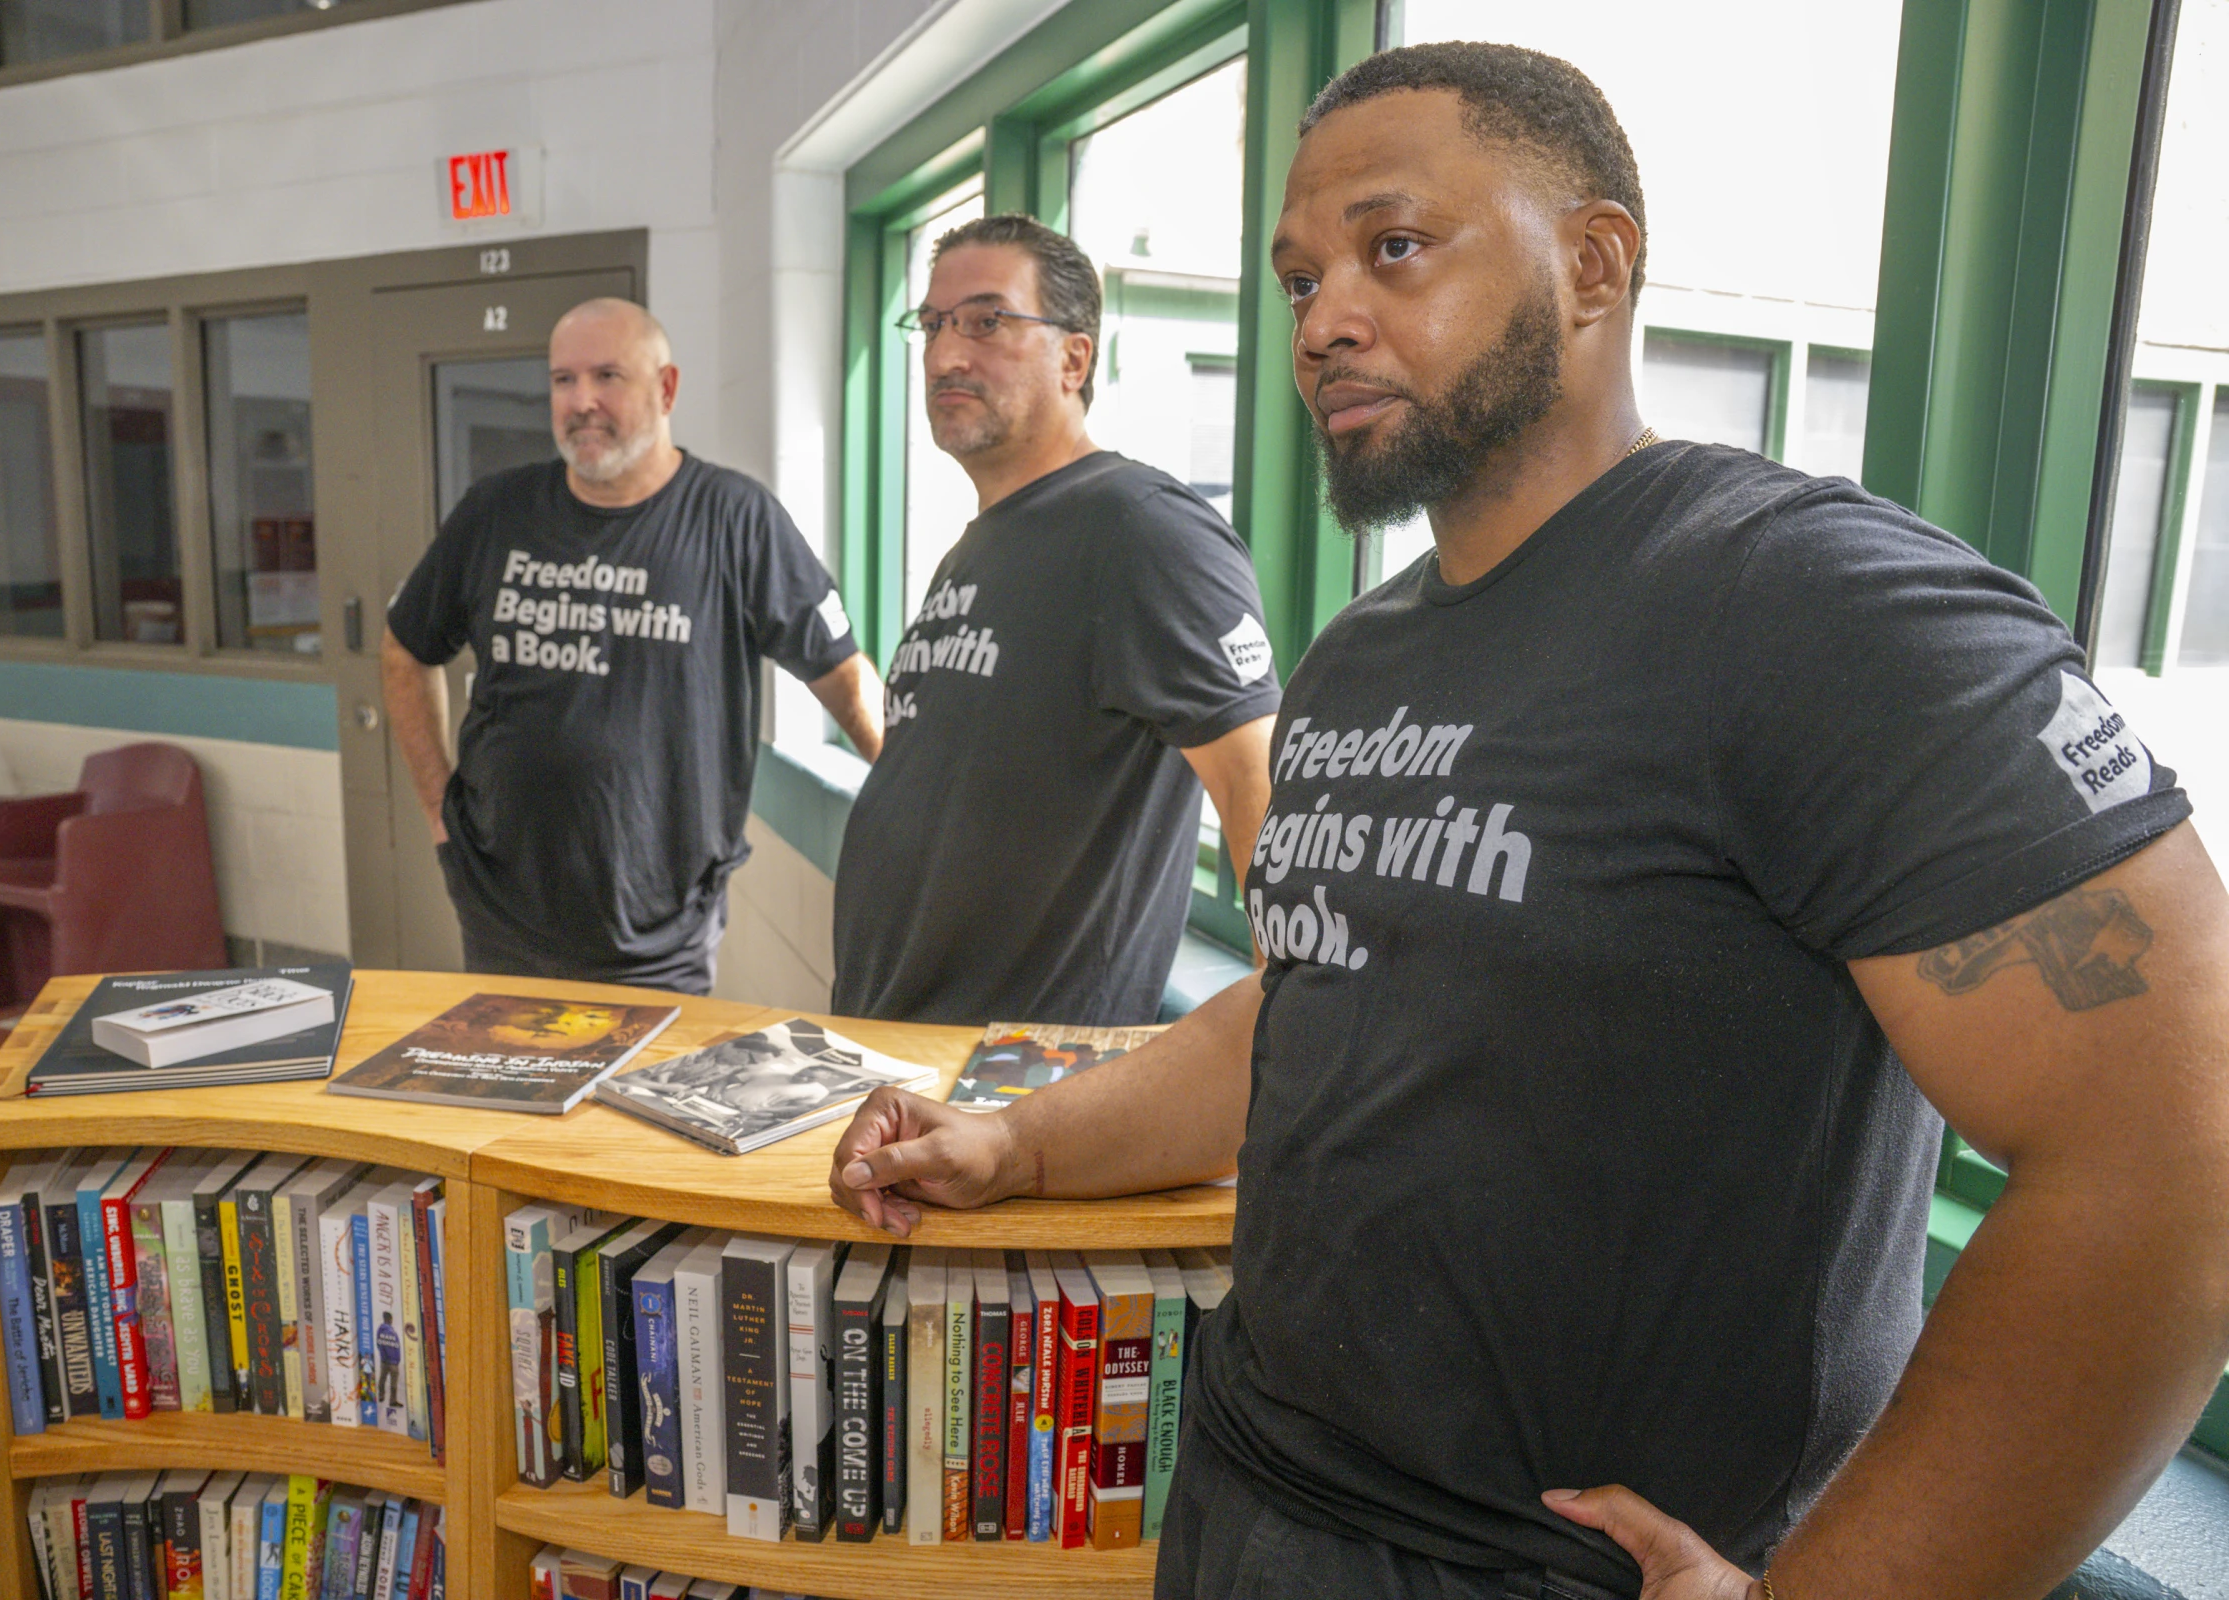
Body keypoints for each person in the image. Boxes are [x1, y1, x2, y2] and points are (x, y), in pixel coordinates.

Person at [828, 42, 2229, 1600]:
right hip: (1250, 1494)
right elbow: (1310, 1005)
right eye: (1299, 280)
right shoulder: (1361, 656)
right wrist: (1017, 1146)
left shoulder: (1813, 604)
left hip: (1547, 1564)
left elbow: (2178, 1146)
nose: (1325, 319)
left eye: (1395, 246)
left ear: (1594, 264)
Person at [832, 215, 1281, 1027]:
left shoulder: (1141, 528)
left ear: (1074, 358)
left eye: (987, 321)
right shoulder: (982, 543)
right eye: (932, 325)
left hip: (1023, 1075)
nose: (945, 354)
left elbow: (1260, 786)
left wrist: (1292, 1051)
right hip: (901, 1042)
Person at [383, 298, 883, 993]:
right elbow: (405, 651)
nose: (581, 400)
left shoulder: (735, 519)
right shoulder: (495, 512)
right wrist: (439, 811)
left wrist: (915, 802)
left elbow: (844, 678)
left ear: (666, 388)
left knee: (648, 1072)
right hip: (500, 910)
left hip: (659, 934)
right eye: (563, 380)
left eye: (607, 376)